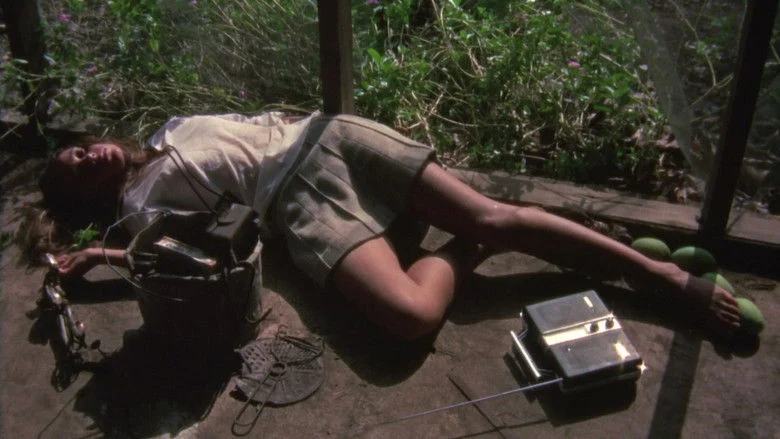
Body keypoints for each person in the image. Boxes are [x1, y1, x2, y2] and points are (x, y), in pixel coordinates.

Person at [31, 111, 741, 341]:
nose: (89, 156)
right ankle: (470, 246)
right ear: (87, 199)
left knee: (497, 211)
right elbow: (181, 263)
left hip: (330, 135)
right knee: (411, 315)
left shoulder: (170, 127)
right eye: (79, 171)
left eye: (80, 149)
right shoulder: (140, 212)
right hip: (298, 202)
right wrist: (98, 255)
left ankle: (659, 274)